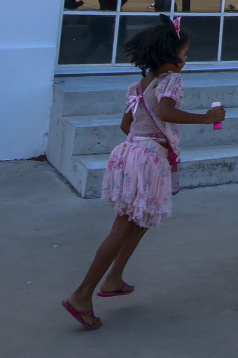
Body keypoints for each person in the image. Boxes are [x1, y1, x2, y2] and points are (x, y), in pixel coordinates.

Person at [63, 20, 227, 327]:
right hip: (147, 159)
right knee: (123, 227)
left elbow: (127, 125)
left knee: (139, 223)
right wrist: (207, 118)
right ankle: (82, 294)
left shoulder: (140, 85)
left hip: (129, 153)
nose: (187, 58)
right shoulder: (171, 81)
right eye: (185, 52)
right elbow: (165, 112)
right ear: (170, 55)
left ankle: (113, 278)